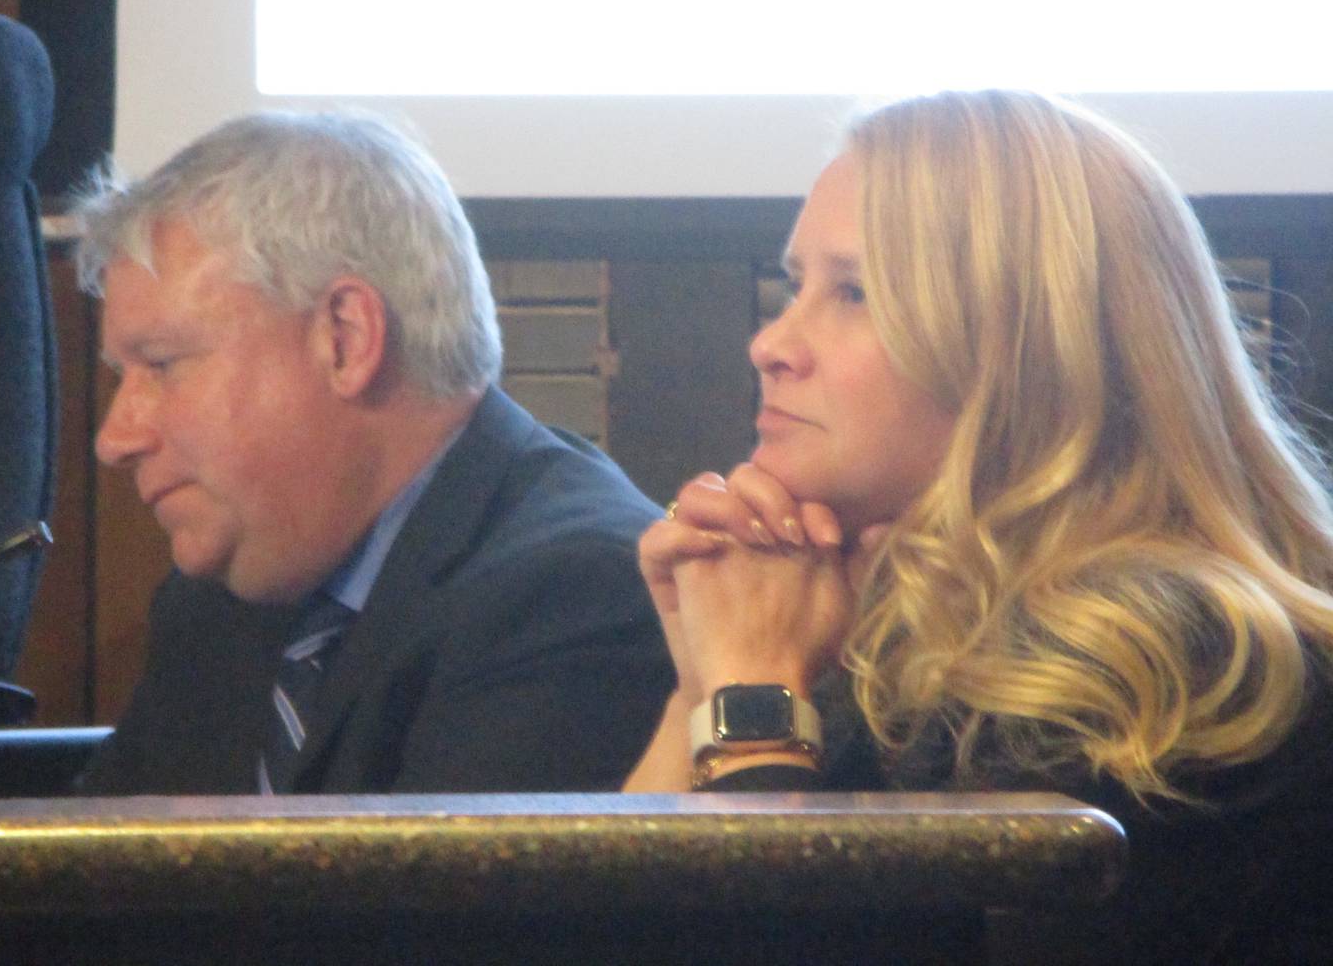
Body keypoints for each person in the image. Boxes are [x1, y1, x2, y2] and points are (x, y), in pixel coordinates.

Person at [625, 90, 1333, 961]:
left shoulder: (1173, 665)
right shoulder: (886, 627)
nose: (771, 342)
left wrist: (753, 700)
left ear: (1024, 344)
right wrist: (699, 684)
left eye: (852, 292)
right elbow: (602, 937)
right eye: (791, 286)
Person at [74, 111, 672, 794]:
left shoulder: (571, 597)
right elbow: (79, 895)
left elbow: (440, 903)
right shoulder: (216, 598)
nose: (115, 438)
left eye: (163, 364)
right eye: (124, 379)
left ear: (346, 338)